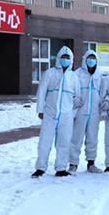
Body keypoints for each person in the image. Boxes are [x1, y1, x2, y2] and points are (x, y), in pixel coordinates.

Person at [32, 47, 81, 178]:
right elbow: (41, 92)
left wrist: (73, 111)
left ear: (71, 60)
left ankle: (61, 168)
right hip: (50, 112)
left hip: (66, 115)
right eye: (63, 57)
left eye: (67, 58)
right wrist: (40, 110)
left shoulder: (73, 76)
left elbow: (77, 95)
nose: (65, 60)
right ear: (58, 58)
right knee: (45, 141)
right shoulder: (50, 73)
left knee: (64, 142)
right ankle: (41, 167)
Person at [68, 50, 106, 174]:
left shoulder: (99, 76)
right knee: (76, 138)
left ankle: (91, 163)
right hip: (80, 111)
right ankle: (73, 163)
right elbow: (70, 89)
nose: (91, 61)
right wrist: (74, 99)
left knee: (93, 138)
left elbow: (104, 92)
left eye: (93, 58)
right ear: (84, 59)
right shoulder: (77, 74)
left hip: (94, 111)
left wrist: (104, 103)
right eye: (89, 58)